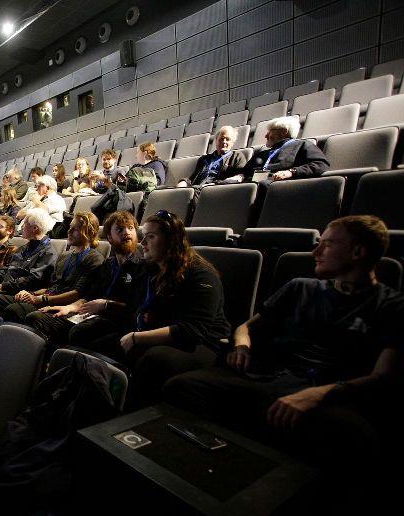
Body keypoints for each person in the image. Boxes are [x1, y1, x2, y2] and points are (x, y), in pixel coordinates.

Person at [164, 216, 403, 460]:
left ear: (358, 252)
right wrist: (242, 348)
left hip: (328, 393)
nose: (316, 251)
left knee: (352, 436)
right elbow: (246, 327)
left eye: (328, 244)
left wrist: (318, 394)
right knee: (183, 387)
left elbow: (381, 377)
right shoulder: (301, 287)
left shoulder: (392, 306)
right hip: (270, 376)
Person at [112, 210, 231, 405]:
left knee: (153, 359)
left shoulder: (201, 275)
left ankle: (133, 416)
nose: (142, 243)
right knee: (105, 340)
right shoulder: (152, 270)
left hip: (203, 344)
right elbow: (135, 306)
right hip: (162, 332)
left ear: (171, 240)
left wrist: (137, 337)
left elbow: (192, 331)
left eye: (150, 237)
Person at [0, 212, 104, 329]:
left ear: (88, 232)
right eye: (70, 227)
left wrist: (42, 299)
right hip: (46, 297)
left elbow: (77, 293)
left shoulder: (94, 258)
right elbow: (51, 286)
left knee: (15, 310)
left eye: (74, 229)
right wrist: (31, 294)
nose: (69, 231)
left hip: (63, 304)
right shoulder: (65, 255)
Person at [35, 210, 144, 349]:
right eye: (120, 229)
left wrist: (106, 305)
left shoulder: (142, 266)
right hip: (92, 315)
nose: (127, 233)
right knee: (40, 318)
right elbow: (90, 295)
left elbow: (137, 307)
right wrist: (70, 307)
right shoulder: (108, 265)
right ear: (109, 237)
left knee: (79, 333)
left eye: (131, 228)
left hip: (118, 321)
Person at [0, 209, 58, 302]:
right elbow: (6, 269)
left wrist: (0, 286)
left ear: (35, 228)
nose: (21, 227)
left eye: (25, 223)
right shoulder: (24, 248)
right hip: (7, 289)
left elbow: (32, 280)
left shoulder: (48, 253)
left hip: (22, 295)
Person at [242, 116, 330, 181]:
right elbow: (244, 171)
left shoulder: (302, 145)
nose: (266, 136)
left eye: (270, 131)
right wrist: (240, 176)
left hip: (278, 185)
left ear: (284, 131)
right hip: (251, 184)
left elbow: (321, 164)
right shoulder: (263, 153)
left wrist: (291, 172)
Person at [181, 126, 248, 187]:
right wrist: (183, 182)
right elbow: (192, 178)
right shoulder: (204, 159)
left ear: (232, 142)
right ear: (216, 140)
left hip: (216, 191)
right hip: (196, 189)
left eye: (227, 139)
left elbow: (240, 176)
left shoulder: (237, 157)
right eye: (221, 139)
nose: (224, 142)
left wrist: (216, 184)